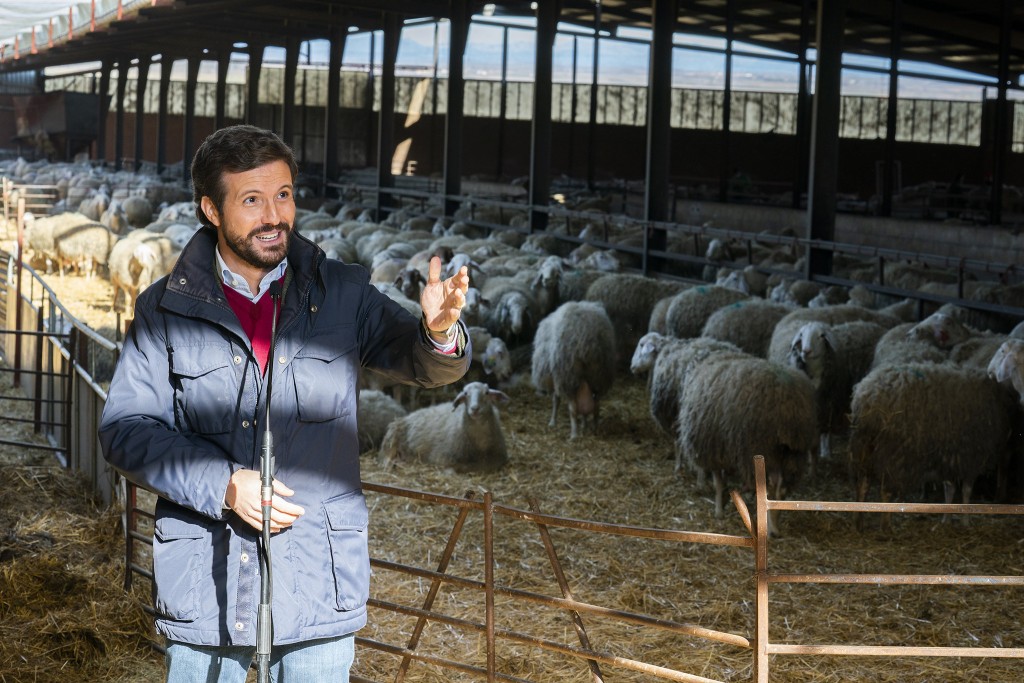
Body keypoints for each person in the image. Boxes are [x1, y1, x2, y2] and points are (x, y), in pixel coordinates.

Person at [99, 124, 471, 682]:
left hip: (315, 584)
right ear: (211, 209)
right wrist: (223, 484)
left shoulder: (341, 292)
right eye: (251, 200)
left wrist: (438, 332)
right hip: (208, 583)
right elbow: (125, 428)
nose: (274, 215)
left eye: (284, 195)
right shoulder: (165, 309)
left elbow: (421, 362)